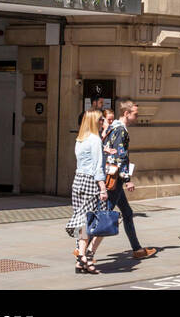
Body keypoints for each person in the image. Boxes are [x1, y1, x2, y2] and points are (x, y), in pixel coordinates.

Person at [104, 99, 156, 259]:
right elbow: (121, 157)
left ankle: (137, 249)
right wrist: (127, 180)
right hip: (116, 178)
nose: (137, 117)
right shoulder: (121, 131)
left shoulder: (112, 127)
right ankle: (83, 248)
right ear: (126, 113)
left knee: (127, 212)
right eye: (135, 114)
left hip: (111, 175)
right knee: (103, 214)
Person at [66, 109, 109, 274]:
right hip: (91, 182)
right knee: (92, 221)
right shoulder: (95, 140)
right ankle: (84, 255)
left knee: (82, 219)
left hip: (78, 181)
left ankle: (82, 259)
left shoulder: (80, 139)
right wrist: (103, 188)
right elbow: (97, 167)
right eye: (100, 120)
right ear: (93, 122)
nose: (102, 122)